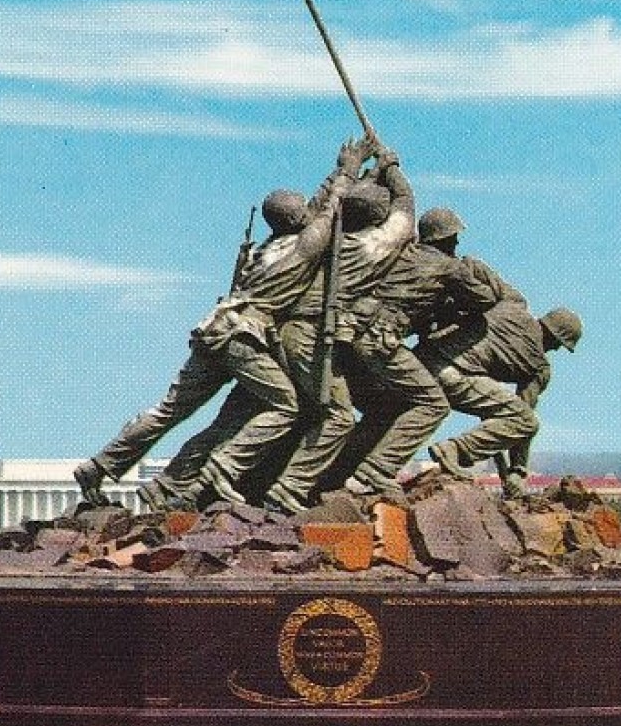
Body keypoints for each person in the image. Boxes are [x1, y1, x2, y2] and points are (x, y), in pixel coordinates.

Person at [72, 140, 367, 504]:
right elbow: (329, 210)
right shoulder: (300, 251)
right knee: (284, 405)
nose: (309, 210)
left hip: (215, 329)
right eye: (302, 209)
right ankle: (222, 468)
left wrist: (340, 170)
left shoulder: (267, 249)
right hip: (243, 337)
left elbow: (319, 207)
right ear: (296, 219)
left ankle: (99, 467)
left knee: (170, 410)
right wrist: (350, 167)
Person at [201, 144, 417, 513]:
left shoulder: (319, 238)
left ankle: (247, 479)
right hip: (309, 337)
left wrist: (360, 171)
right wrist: (392, 167)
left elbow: (326, 206)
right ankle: (286, 487)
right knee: (337, 415)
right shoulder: (370, 245)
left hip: (280, 335)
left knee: (300, 409)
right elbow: (405, 211)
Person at [332, 207, 502, 499]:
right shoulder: (449, 266)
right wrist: (469, 278)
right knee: (433, 404)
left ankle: (339, 470)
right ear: (446, 238)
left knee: (389, 407)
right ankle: (378, 469)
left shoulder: (402, 253)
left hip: (352, 335)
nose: (457, 244)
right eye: (455, 238)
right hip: (380, 340)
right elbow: (485, 298)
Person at [422, 299, 583, 497]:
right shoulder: (538, 366)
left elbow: (497, 422)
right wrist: (517, 471)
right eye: (560, 344)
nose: (557, 349)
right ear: (555, 337)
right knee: (526, 421)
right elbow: (521, 421)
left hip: (420, 361)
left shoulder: (510, 310)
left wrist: (504, 470)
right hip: (449, 375)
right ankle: (453, 450)